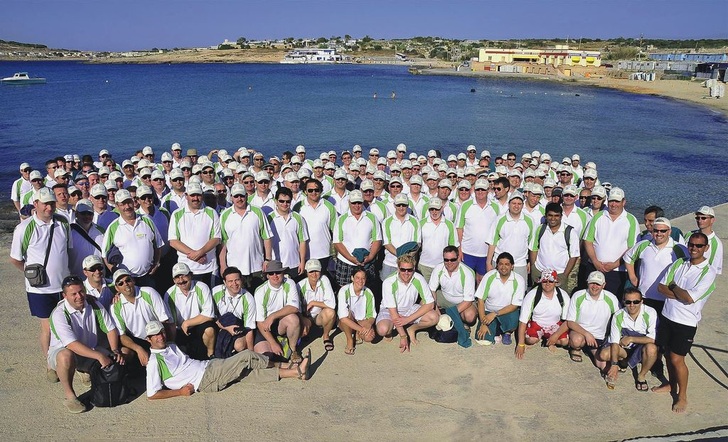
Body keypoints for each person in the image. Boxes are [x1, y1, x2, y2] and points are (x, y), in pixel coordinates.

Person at [145, 320, 309, 400]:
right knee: (246, 356)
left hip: (210, 367)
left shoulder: (170, 345)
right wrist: (180, 392)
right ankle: (287, 364)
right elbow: (152, 394)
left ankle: (295, 373)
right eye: (155, 335)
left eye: (161, 332)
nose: (160, 337)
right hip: (205, 379)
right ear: (148, 339)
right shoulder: (154, 361)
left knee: (247, 374)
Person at [10, 187, 72, 382]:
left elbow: (68, 251)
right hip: (40, 289)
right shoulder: (24, 228)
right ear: (35, 204)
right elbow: (16, 259)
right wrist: (31, 276)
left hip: (63, 286)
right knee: (47, 328)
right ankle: (50, 364)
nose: (49, 207)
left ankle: (71, 360)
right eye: (45, 203)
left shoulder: (63, 223)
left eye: (52, 203)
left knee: (68, 325)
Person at [654, 232, 717, 413]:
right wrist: (679, 293)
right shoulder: (679, 263)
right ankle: (671, 385)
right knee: (666, 354)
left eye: (698, 246)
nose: (694, 249)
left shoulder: (708, 273)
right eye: (691, 245)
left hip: (686, 322)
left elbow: (689, 298)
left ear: (706, 248)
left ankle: (682, 396)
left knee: (677, 359)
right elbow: (660, 287)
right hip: (668, 315)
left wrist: (673, 286)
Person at [48, 275, 125, 413]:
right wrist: (99, 357)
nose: (79, 296)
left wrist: (115, 350)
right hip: (64, 351)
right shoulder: (59, 314)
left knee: (122, 355)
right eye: (74, 294)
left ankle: (84, 370)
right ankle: (70, 396)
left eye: (81, 291)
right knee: (66, 356)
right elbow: (71, 344)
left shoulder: (94, 304)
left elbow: (110, 329)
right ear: (64, 296)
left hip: (90, 349)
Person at [582, 187, 639, 299]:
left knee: (613, 301)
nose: (613, 204)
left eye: (617, 201)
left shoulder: (631, 220)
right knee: (590, 299)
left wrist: (615, 264)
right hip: (594, 268)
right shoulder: (598, 216)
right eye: (611, 201)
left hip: (617, 272)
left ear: (623, 202)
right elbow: (588, 241)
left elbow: (632, 248)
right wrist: (595, 261)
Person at [599, 288, 659, 391]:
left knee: (652, 349)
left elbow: (654, 339)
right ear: (624, 302)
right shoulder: (618, 315)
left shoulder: (650, 313)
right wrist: (614, 364)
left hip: (640, 346)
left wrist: (631, 338)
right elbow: (614, 341)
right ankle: (622, 360)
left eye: (636, 302)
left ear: (641, 302)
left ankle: (641, 376)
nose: (632, 305)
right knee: (604, 354)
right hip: (623, 347)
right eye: (628, 302)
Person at [376, 255, 439, 352]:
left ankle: (412, 328)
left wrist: (408, 319)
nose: (406, 273)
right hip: (389, 310)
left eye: (409, 270)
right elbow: (393, 312)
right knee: (382, 329)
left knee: (434, 317)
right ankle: (392, 330)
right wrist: (403, 336)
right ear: (398, 268)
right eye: (403, 269)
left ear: (414, 268)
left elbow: (430, 304)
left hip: (410, 308)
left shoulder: (418, 278)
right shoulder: (388, 282)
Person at [624, 217, 687, 314]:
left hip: (666, 299)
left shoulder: (679, 249)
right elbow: (628, 258)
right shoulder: (643, 245)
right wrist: (632, 277)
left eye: (663, 231)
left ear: (669, 231)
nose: (659, 233)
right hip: (644, 297)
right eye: (656, 230)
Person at [102, 189, 163, 288]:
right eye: (123, 204)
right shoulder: (113, 227)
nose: (127, 207)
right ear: (117, 206)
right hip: (126, 280)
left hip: (148, 277)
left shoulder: (147, 221)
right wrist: (115, 272)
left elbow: (158, 244)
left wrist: (156, 263)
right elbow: (104, 255)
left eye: (129, 202)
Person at [110, 268, 171, 367]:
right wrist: (138, 349)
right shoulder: (115, 306)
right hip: (137, 340)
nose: (125, 284)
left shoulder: (149, 292)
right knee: (124, 352)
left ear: (133, 280)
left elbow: (165, 320)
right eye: (120, 283)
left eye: (128, 280)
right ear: (117, 288)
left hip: (156, 335)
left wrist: (164, 341)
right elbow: (122, 335)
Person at [219, 183, 273, 290]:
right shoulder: (224, 215)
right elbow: (223, 244)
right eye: (236, 196)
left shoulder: (258, 212)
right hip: (234, 267)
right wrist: (223, 265)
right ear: (231, 198)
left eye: (242, 196)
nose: (239, 199)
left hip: (257, 266)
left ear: (246, 196)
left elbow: (266, 237)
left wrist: (268, 259)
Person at [168, 182, 221, 288]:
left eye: (198, 195)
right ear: (187, 196)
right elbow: (173, 241)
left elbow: (216, 238)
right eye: (192, 195)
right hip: (187, 269)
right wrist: (195, 255)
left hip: (209, 267)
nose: (195, 198)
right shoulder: (177, 214)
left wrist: (200, 253)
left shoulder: (211, 212)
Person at [253, 260, 304, 363]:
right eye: (271, 273)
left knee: (293, 319)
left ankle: (293, 350)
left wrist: (272, 316)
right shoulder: (260, 291)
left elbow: (294, 308)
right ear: (267, 276)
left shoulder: (289, 283)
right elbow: (260, 323)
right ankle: (280, 346)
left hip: (280, 322)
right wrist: (273, 343)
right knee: (266, 357)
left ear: (283, 273)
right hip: (265, 327)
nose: (275, 275)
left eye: (278, 272)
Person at [565, 271, 619, 369]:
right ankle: (576, 348)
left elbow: (618, 319)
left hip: (599, 337)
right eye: (592, 283)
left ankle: (589, 349)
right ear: (587, 283)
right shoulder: (578, 295)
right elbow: (570, 322)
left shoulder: (611, 298)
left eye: (598, 284)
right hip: (580, 333)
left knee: (603, 366)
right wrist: (587, 334)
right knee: (577, 341)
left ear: (603, 285)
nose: (594, 286)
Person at [164, 263, 217, 361]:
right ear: (174, 280)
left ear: (190, 275)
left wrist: (187, 323)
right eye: (177, 277)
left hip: (199, 324)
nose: (181, 280)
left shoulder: (202, 287)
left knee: (210, 330)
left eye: (184, 275)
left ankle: (211, 355)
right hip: (180, 329)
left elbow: (209, 315)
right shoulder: (169, 294)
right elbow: (171, 323)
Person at [332, 190, 382, 287]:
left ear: (363, 202)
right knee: (343, 289)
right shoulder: (341, 219)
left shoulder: (372, 218)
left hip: (366, 262)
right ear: (349, 203)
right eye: (354, 203)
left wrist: (370, 257)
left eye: (359, 202)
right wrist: (351, 258)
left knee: (367, 289)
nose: (357, 205)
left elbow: (377, 240)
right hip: (345, 262)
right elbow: (337, 242)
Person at [515, 270, 570, 359]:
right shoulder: (532, 295)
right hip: (537, 324)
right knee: (530, 340)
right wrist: (520, 344)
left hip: (555, 324)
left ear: (555, 282)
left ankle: (549, 339)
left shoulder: (563, 295)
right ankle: (545, 339)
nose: (547, 283)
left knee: (564, 342)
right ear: (541, 282)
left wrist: (555, 336)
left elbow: (568, 321)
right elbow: (523, 321)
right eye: (545, 281)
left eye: (551, 281)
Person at [474, 252, 526, 346]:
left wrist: (495, 314)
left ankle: (507, 332)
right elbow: (480, 300)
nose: (503, 267)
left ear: (512, 266)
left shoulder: (519, 280)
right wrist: (483, 323)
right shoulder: (489, 276)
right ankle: (497, 329)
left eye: (507, 264)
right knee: (483, 339)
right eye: (501, 264)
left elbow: (514, 305)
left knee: (514, 320)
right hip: (488, 311)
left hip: (507, 312)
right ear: (497, 265)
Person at [529, 202, 580, 290]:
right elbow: (534, 249)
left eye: (556, 216)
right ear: (546, 216)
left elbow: (573, 257)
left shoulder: (570, 232)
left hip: (560, 273)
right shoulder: (541, 229)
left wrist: (565, 275)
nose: (553, 219)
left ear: (561, 216)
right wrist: (533, 267)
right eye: (550, 215)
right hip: (540, 271)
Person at [486, 191, 535, 282]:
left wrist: (530, 263)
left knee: (519, 291)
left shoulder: (530, 220)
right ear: (509, 204)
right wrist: (488, 262)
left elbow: (531, 244)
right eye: (514, 203)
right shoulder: (499, 219)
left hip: (520, 263)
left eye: (519, 204)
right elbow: (492, 242)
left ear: (522, 205)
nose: (516, 206)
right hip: (500, 262)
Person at [293, 178, 337, 274]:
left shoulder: (329, 207)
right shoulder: (298, 207)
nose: (313, 192)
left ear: (321, 191)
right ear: (305, 191)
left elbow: (335, 231)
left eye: (316, 190)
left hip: (324, 254)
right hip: (304, 255)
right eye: (310, 190)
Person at [211, 266, 257, 356]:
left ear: (241, 280)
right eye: (230, 281)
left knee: (240, 345)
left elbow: (249, 328)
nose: (234, 284)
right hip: (219, 326)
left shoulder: (248, 298)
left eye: (237, 280)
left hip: (239, 329)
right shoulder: (215, 292)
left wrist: (252, 353)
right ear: (224, 282)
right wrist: (225, 328)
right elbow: (210, 316)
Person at [428, 245, 477, 324]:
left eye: (452, 260)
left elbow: (468, 301)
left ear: (458, 258)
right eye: (446, 260)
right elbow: (432, 291)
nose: (449, 263)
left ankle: (455, 319)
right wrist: (436, 310)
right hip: (444, 297)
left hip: (462, 301)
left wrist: (449, 314)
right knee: (424, 303)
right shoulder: (438, 268)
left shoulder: (467, 273)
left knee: (470, 316)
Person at [267, 187, 309, 279]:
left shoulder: (298, 218)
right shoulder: (269, 219)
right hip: (275, 265)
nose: (285, 204)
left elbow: (302, 241)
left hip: (295, 264)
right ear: (276, 201)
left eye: (288, 201)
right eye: (281, 201)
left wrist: (302, 262)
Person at [298, 259, 337, 351]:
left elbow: (332, 304)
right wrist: (303, 319)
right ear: (306, 272)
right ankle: (305, 331)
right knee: (300, 328)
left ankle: (326, 335)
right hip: (306, 316)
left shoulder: (324, 280)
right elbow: (296, 308)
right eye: (311, 271)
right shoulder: (299, 285)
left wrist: (313, 303)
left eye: (317, 271)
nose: (314, 274)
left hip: (319, 315)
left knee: (330, 313)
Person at [337, 267, 377, 355]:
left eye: (363, 278)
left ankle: (357, 333)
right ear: (352, 278)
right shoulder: (344, 291)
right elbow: (343, 318)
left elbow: (372, 315)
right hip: (347, 321)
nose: (360, 281)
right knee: (346, 315)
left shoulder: (368, 292)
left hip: (361, 320)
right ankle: (350, 339)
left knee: (370, 337)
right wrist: (362, 329)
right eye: (357, 278)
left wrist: (368, 325)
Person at [381, 193, 421, 279]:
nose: (401, 207)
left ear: (407, 205)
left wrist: (405, 259)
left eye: (404, 205)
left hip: (408, 265)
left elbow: (417, 243)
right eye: (398, 205)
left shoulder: (415, 221)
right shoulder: (387, 221)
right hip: (390, 263)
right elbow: (387, 243)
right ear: (394, 205)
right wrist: (401, 256)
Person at [68, 200, 104, 278]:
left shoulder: (101, 231)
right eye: (83, 213)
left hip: (98, 279)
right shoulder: (68, 231)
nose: (87, 216)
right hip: (77, 280)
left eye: (89, 213)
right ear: (76, 213)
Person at [685, 206, 723, 275]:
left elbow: (714, 270)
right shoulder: (688, 235)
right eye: (697, 218)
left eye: (703, 218)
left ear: (712, 220)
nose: (700, 220)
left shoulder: (716, 244)